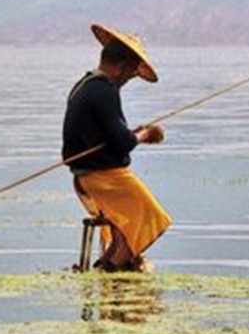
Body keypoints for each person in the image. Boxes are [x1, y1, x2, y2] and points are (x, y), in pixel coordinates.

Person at [63, 24, 170, 272]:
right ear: (123, 66)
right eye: (131, 73)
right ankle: (109, 272)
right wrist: (146, 134)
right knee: (153, 218)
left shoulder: (85, 84)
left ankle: (108, 267)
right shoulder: (105, 90)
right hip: (105, 178)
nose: (129, 79)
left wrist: (134, 133)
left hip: (84, 177)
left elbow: (110, 136)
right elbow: (123, 142)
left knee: (122, 236)